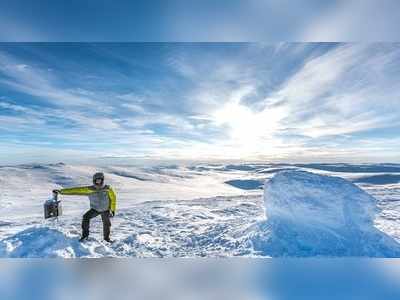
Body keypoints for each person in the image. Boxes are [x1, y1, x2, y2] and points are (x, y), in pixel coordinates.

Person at [53, 172, 116, 243]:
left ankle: (106, 239)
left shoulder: (108, 188)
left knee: (106, 224)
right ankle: (85, 236)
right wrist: (61, 191)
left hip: (106, 209)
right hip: (95, 209)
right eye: (96, 180)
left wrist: (112, 210)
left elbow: (113, 198)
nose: (98, 182)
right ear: (94, 181)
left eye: (100, 180)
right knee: (86, 217)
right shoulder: (90, 189)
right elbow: (76, 190)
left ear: (102, 180)